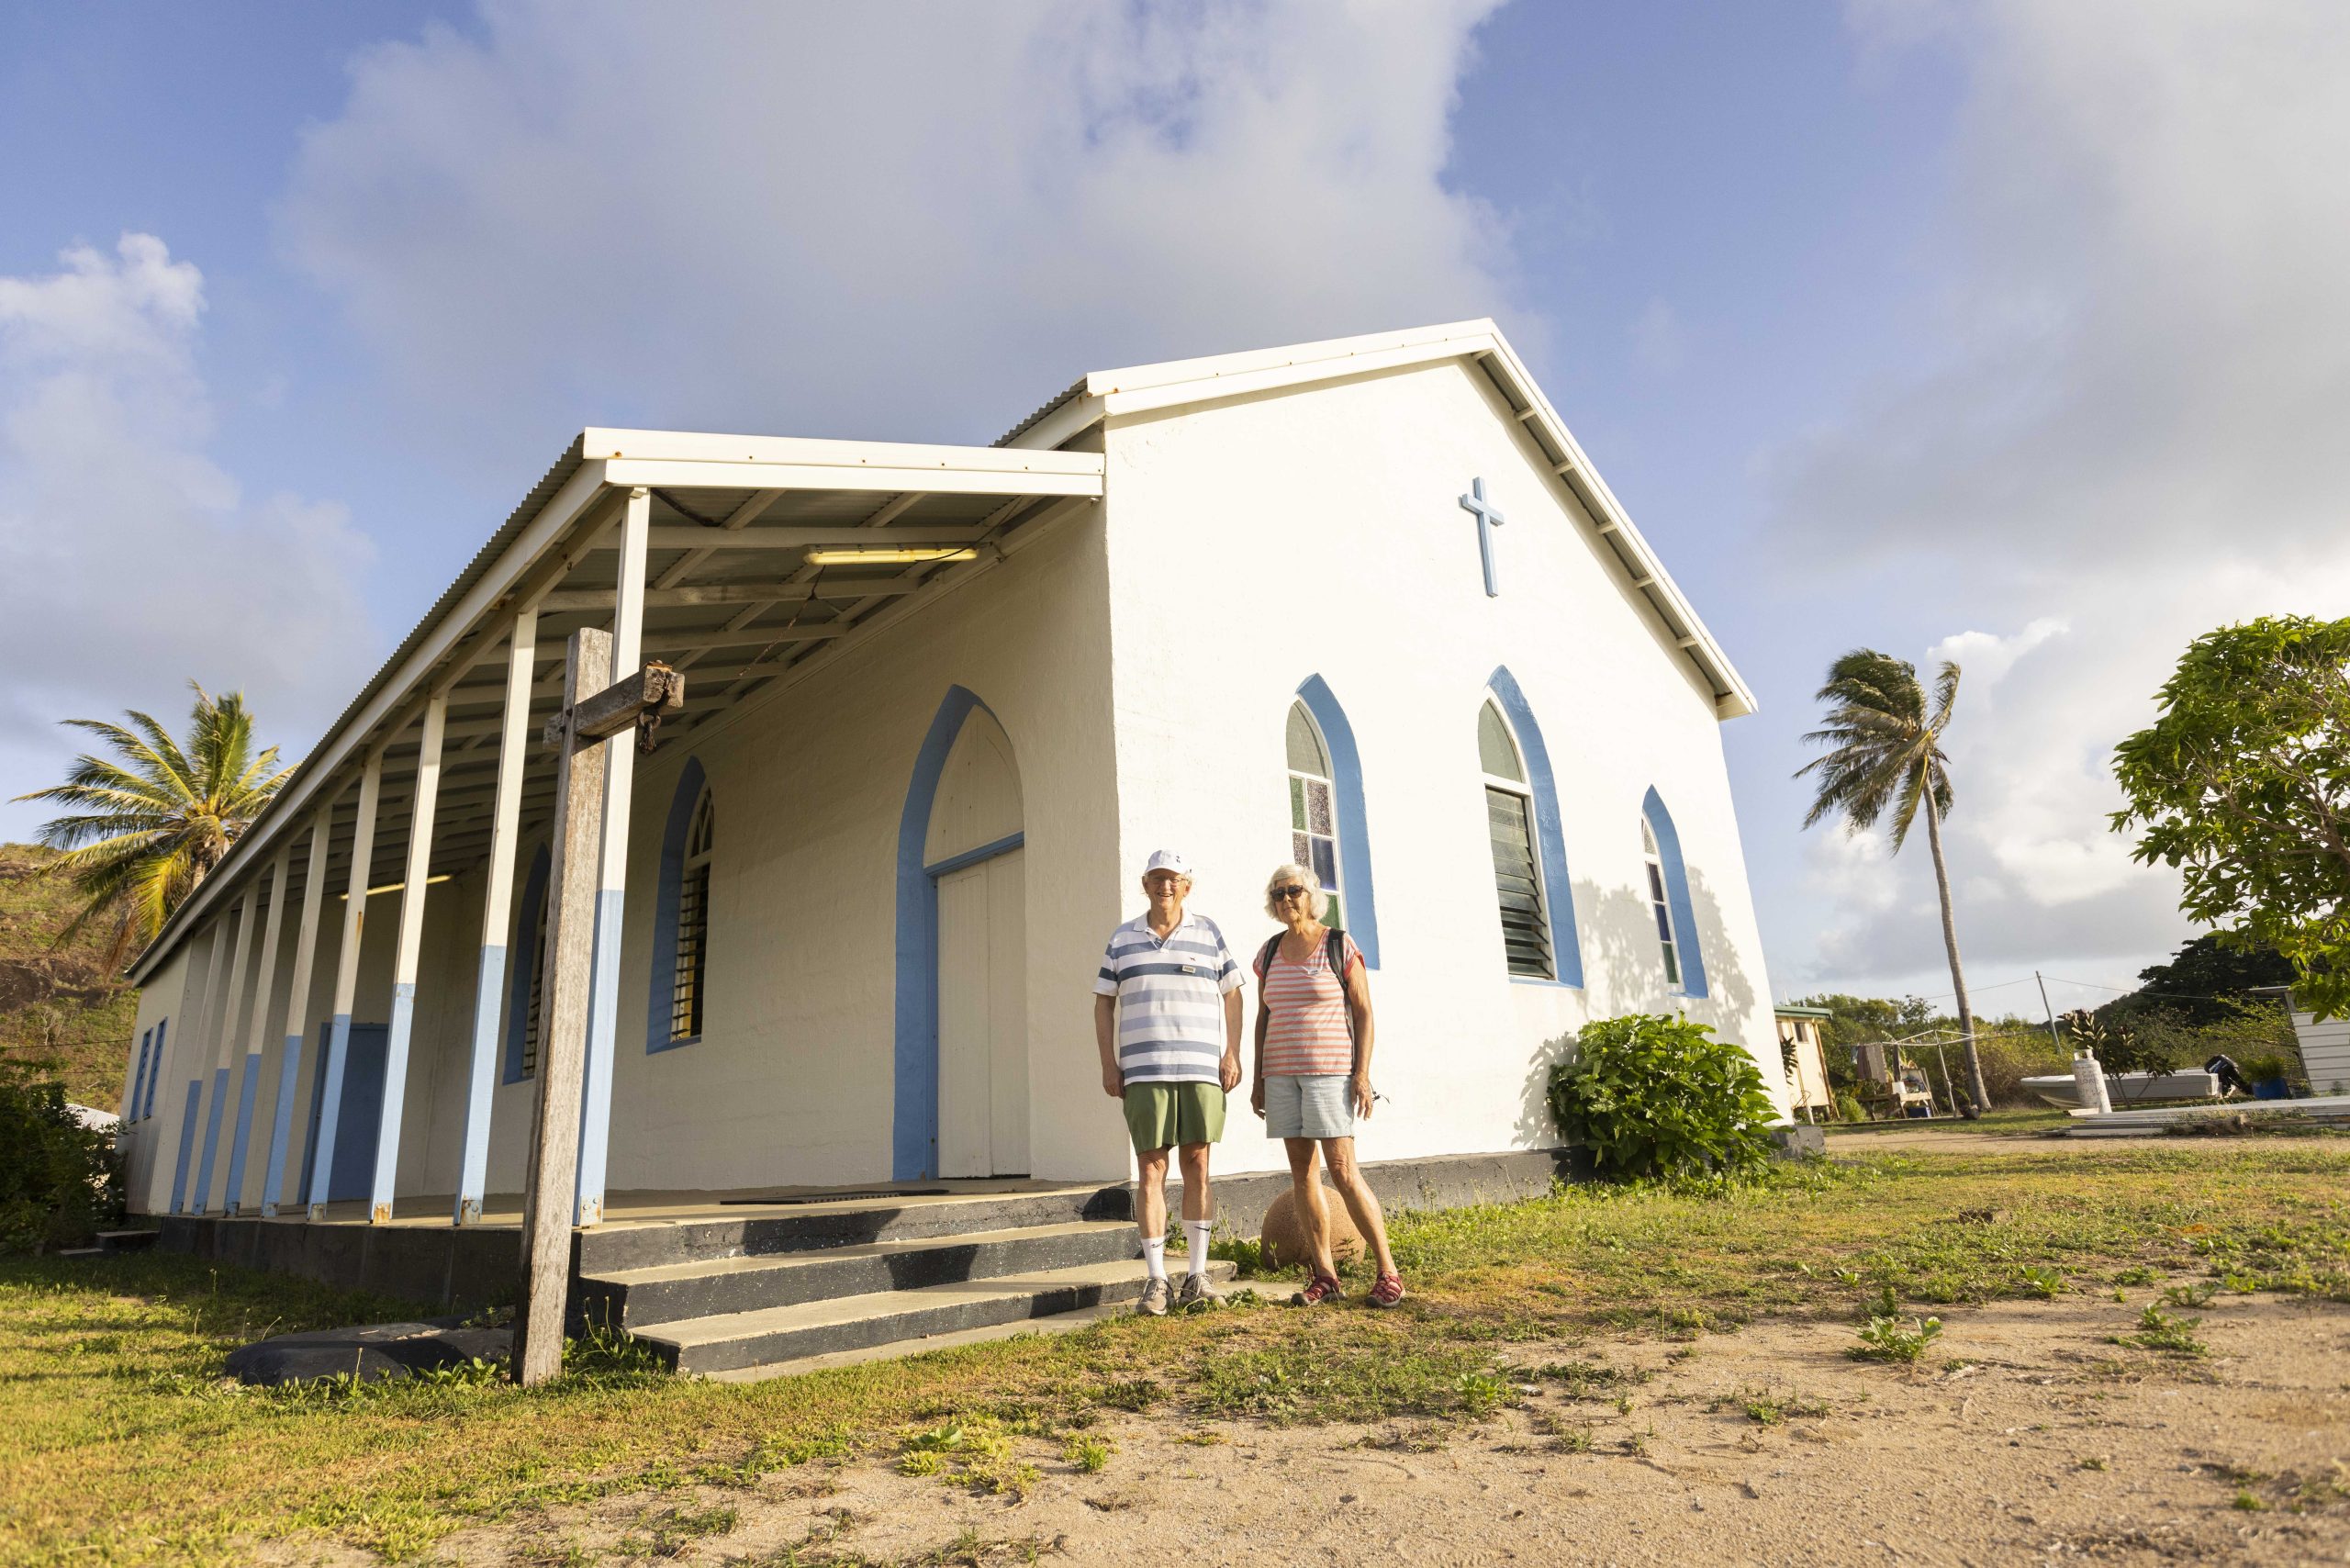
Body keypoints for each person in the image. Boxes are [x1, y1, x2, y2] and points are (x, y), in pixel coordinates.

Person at [1093, 849, 1245, 1315]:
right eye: (1157, 879)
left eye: (1173, 879)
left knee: (1198, 1164)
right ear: (1145, 885)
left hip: (1201, 1070)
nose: (1165, 887)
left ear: (1186, 887)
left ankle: (1197, 1277)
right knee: (1151, 1170)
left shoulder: (1209, 932)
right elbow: (1103, 1003)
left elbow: (1234, 993)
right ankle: (1156, 1281)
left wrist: (1232, 1052)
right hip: (1144, 1071)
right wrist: (1109, 1063)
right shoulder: (1122, 938)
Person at [1248, 863, 1403, 1307]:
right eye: (1277, 894)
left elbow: (1364, 1012)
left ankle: (1388, 1272)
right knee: (1302, 1173)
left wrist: (1362, 1073)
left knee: (1343, 1170)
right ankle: (1325, 1275)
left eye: (1293, 890)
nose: (1285, 900)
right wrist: (1258, 1076)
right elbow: (1264, 1017)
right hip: (1280, 1074)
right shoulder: (1270, 952)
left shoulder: (1338, 944)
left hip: (1329, 1072)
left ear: (1310, 894)